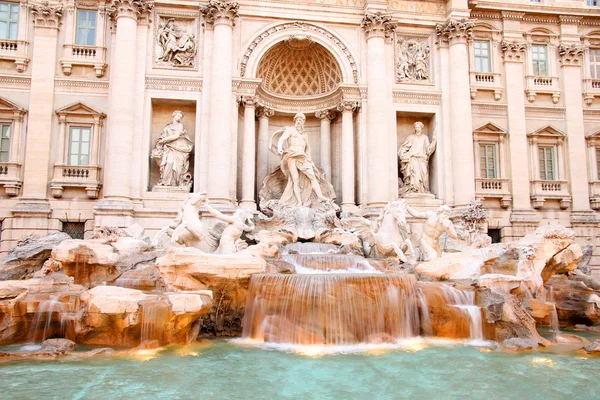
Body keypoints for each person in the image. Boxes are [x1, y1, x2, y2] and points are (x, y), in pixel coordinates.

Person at [270, 113, 330, 207]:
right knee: (295, 179)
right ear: (295, 120)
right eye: (297, 120)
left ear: (303, 122)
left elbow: (308, 148)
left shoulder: (305, 135)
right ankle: (298, 202)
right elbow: (282, 139)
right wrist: (280, 148)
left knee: (312, 176)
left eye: (301, 120)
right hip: (292, 156)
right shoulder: (290, 130)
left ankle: (320, 196)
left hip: (303, 157)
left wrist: (310, 160)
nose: (299, 121)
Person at [152, 110, 193, 187]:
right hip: (169, 148)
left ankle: (175, 183)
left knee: (178, 167)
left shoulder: (180, 125)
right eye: (178, 116)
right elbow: (162, 136)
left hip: (178, 148)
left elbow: (176, 136)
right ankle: (165, 182)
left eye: (180, 117)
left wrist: (163, 140)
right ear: (174, 115)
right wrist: (160, 142)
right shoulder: (167, 127)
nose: (179, 118)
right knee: (169, 162)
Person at [398, 121, 436, 194]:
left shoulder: (425, 137)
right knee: (414, 175)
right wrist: (403, 154)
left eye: (418, 127)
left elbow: (428, 150)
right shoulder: (411, 137)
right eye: (416, 127)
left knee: (424, 174)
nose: (417, 128)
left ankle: (423, 190)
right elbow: (404, 147)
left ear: (421, 128)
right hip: (413, 158)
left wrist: (434, 140)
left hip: (422, 159)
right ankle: (414, 190)